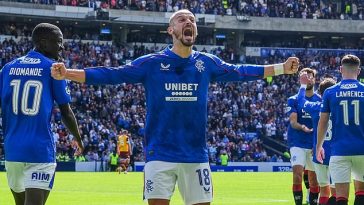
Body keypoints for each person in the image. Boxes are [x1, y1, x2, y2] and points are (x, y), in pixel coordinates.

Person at [51, 9, 299, 205]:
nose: (188, 22)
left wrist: (281, 68)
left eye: (192, 20)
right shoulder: (152, 63)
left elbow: (242, 71)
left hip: (196, 155)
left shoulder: (207, 63)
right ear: (171, 30)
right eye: (181, 19)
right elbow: (112, 74)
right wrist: (68, 74)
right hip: (160, 155)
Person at [0, 23, 84, 205]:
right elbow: (66, 112)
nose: (61, 46)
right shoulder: (54, 69)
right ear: (43, 43)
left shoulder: (7, 69)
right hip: (39, 149)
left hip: (13, 150)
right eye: (58, 42)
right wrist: (77, 137)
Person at [317, 54, 364, 205]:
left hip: (339, 151)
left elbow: (323, 122)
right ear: (359, 71)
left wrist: (318, 147)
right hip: (362, 150)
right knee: (361, 194)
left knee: (341, 198)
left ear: (340, 69)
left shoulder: (330, 92)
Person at [298, 72, 337, 205]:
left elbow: (301, 101)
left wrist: (303, 85)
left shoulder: (315, 107)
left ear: (320, 93)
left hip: (318, 154)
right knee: (336, 192)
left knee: (324, 191)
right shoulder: (340, 108)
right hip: (335, 153)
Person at [286, 67, 320, 205]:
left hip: (313, 144)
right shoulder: (293, 99)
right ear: (301, 80)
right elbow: (293, 122)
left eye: (310, 77)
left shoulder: (321, 99)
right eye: (305, 77)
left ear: (315, 79)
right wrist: (302, 127)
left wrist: (318, 143)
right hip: (297, 142)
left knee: (313, 180)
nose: (308, 79)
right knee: (297, 177)